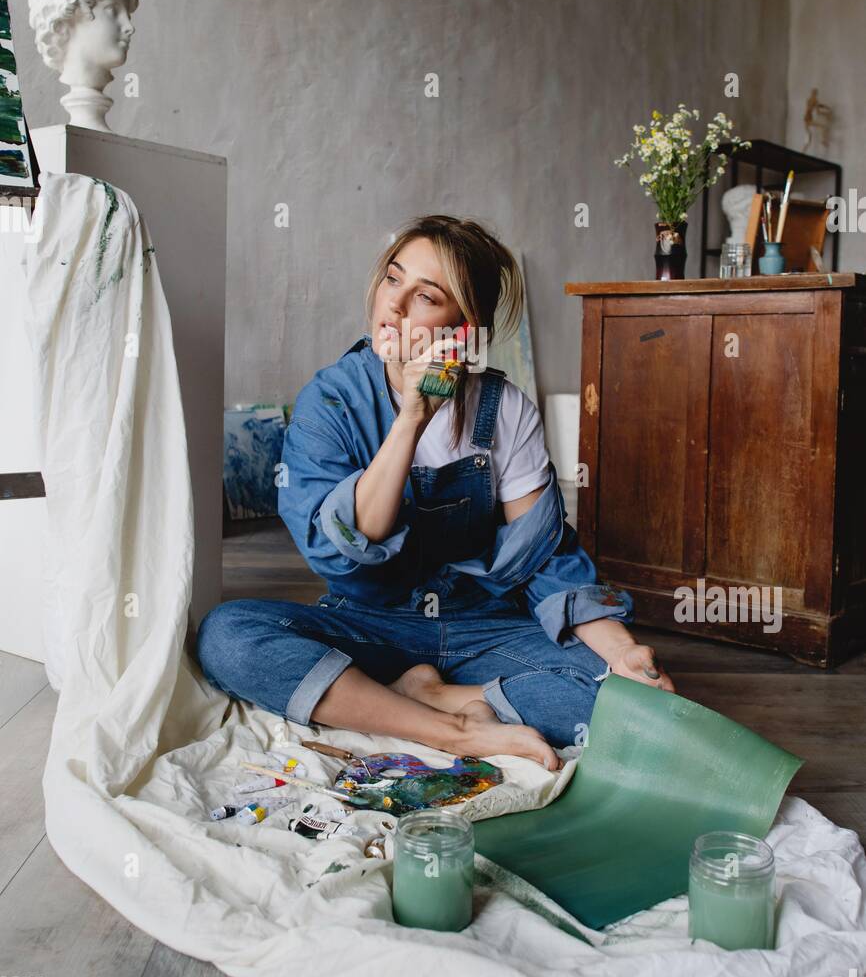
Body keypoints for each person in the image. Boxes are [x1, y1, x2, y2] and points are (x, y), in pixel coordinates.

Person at [197, 215, 675, 773]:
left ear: (465, 328)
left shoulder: (505, 409)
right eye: (392, 279)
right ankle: (453, 729)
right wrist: (412, 418)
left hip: (484, 624)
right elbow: (343, 550)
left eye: (425, 296)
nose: (394, 306)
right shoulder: (332, 401)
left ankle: (428, 695)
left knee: (634, 707)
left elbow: (545, 560)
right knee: (227, 637)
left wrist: (622, 654)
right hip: (374, 622)